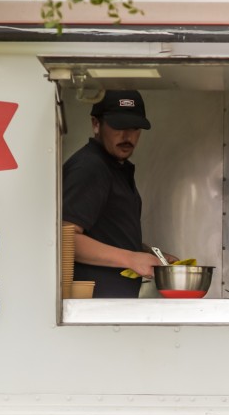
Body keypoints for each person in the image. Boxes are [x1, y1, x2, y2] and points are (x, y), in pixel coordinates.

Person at [62, 89, 172, 297]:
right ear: (96, 124)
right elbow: (65, 239)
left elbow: (108, 235)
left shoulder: (115, 168)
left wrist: (148, 254)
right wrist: (130, 259)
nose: (127, 136)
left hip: (111, 303)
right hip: (91, 305)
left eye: (134, 128)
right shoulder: (89, 167)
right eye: (118, 126)